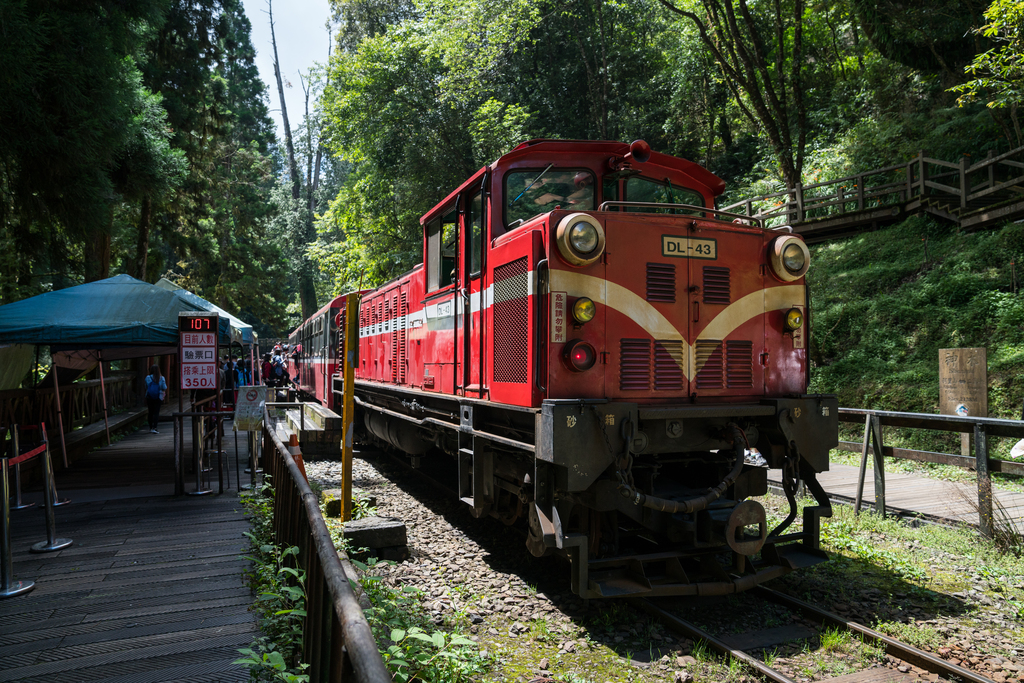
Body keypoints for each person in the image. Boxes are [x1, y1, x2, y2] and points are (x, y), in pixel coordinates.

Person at [144, 365, 166, 434]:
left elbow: (145, 386)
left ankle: (150, 427)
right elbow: (164, 387)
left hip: (149, 396)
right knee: (156, 412)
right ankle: (155, 427)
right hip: (158, 396)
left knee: (150, 412)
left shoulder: (148, 377)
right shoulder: (161, 378)